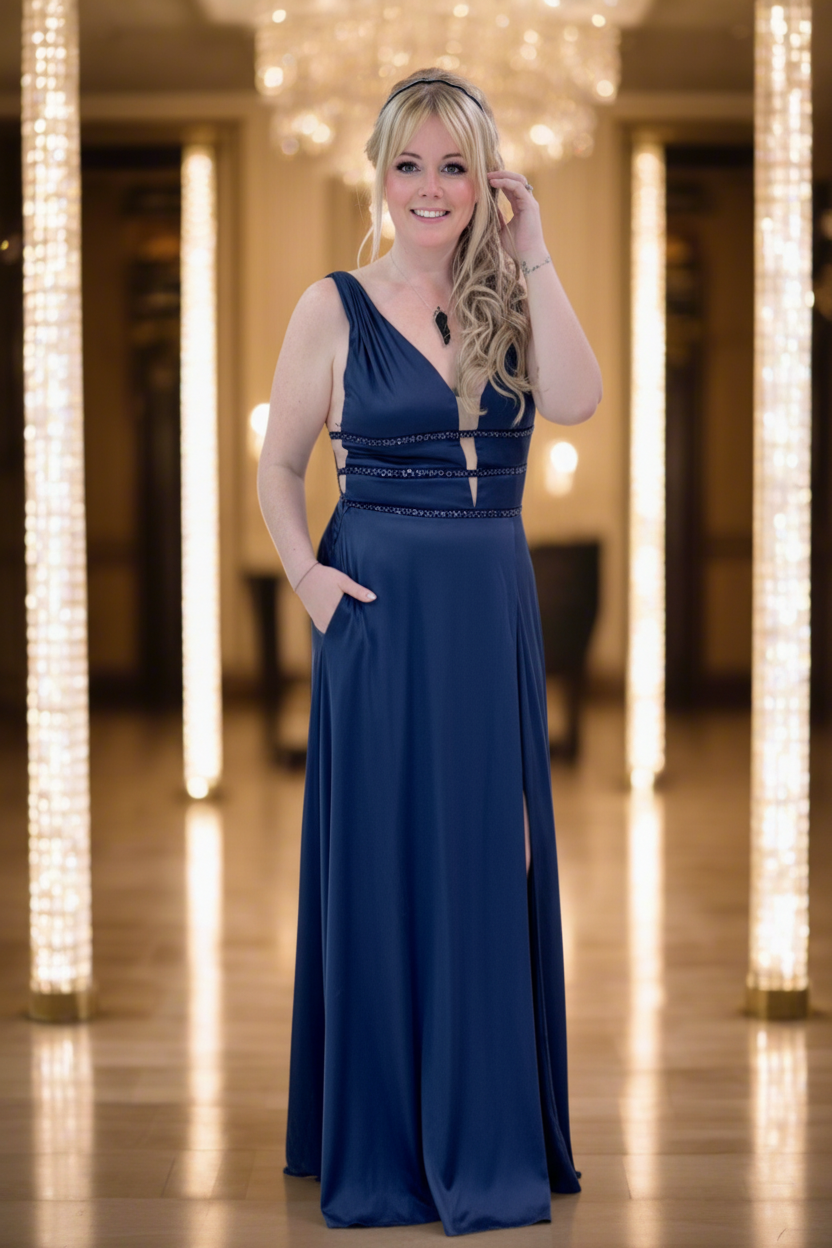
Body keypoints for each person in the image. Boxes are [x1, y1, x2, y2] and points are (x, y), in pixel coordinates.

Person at [257, 68, 601, 1237]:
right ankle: (382, 1135)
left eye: (456, 165)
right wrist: (306, 575)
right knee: (383, 861)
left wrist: (536, 247)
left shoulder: (510, 296)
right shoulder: (332, 306)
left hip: (487, 611)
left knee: (482, 862)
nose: (431, 188)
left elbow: (580, 399)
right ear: (379, 174)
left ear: (487, 179)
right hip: (377, 615)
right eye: (410, 163)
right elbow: (277, 465)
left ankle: (485, 1117)